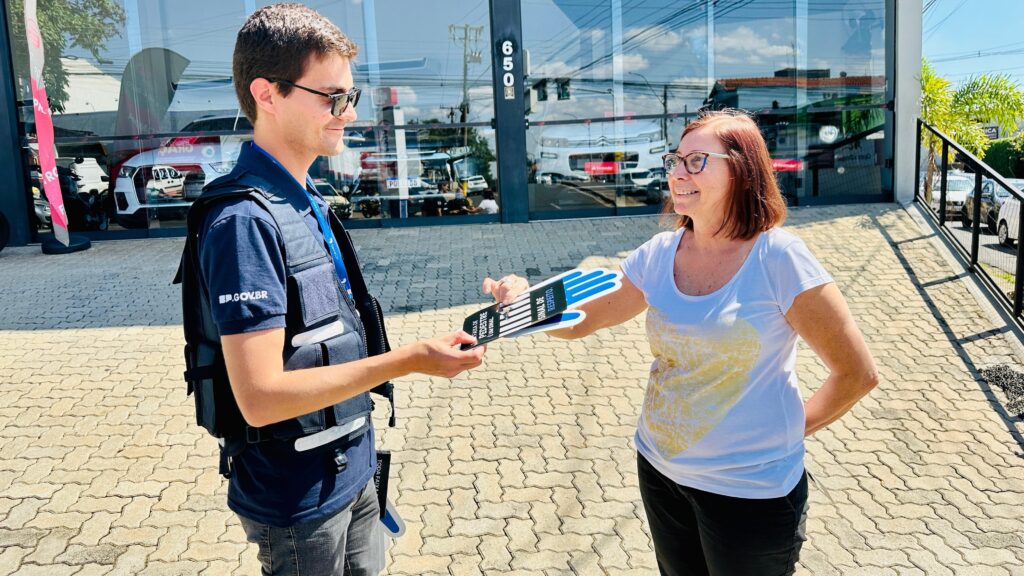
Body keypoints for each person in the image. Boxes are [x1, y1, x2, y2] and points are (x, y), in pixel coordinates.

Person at [177, 5, 511, 575]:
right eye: (332, 97)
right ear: (268, 94)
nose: (347, 114)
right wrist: (405, 361)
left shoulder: (305, 198)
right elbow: (259, 396)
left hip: (352, 467)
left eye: (350, 97)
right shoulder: (243, 222)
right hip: (300, 498)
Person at [485, 109, 878, 576]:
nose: (676, 172)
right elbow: (581, 320)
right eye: (675, 160)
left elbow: (857, 374)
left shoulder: (780, 258)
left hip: (749, 493)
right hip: (661, 472)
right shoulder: (659, 254)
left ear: (741, 169)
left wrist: (788, 432)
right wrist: (521, 304)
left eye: (696, 161)